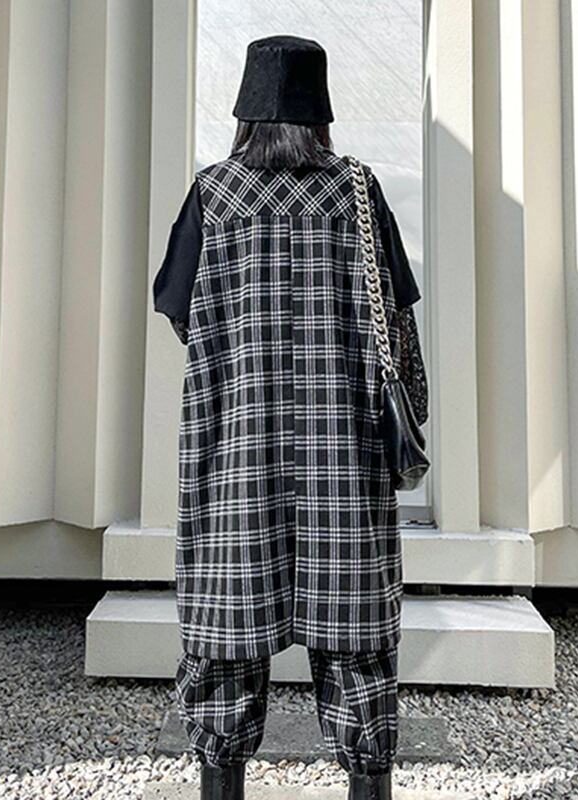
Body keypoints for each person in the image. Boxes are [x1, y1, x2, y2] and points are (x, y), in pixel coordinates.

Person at [152, 34, 428, 800]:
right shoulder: (357, 192)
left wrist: (240, 351)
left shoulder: (214, 194)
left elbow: (177, 310)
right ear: (320, 109)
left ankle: (221, 784)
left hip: (236, 459)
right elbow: (399, 326)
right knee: (358, 648)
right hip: (345, 462)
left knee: (225, 643)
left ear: (245, 108)